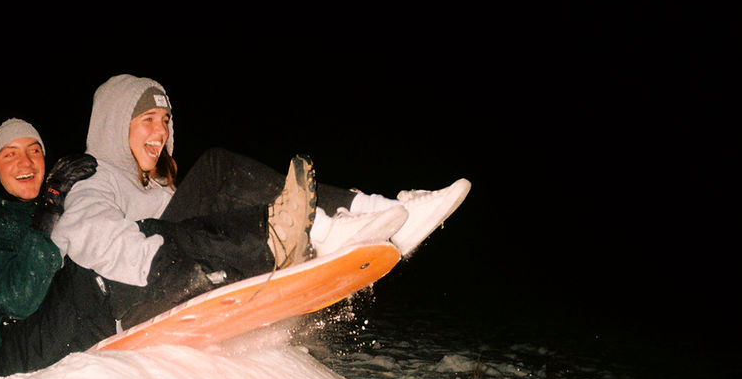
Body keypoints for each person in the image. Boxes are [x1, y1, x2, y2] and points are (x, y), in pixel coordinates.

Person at [51, 74, 471, 331]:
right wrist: (162, 265)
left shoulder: (161, 192)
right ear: (113, 124)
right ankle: (342, 220)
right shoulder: (96, 178)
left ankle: (341, 224)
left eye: (165, 121)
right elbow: (83, 233)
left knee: (225, 208)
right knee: (217, 170)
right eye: (147, 120)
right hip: (137, 296)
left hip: (171, 276)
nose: (160, 132)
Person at [0, 117, 98, 379]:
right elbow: (18, 300)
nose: (27, 162)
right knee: (90, 278)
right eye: (10, 154)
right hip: (7, 355)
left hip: (57, 332)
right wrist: (50, 209)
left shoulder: (47, 208)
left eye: (34, 150)